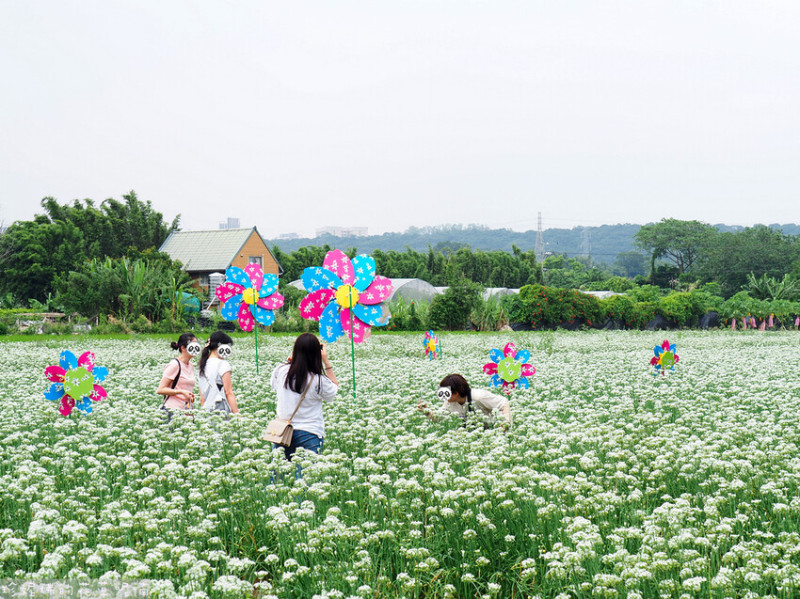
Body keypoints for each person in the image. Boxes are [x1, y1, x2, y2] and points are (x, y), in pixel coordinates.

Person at [270, 333, 338, 461]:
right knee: (305, 478)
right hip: (310, 433)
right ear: (316, 355)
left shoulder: (280, 370)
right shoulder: (319, 380)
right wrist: (326, 362)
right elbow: (333, 391)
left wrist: (291, 360)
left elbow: (274, 385)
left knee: (279, 477)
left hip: (282, 431)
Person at [418, 373, 512, 428]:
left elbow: (504, 402)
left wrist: (505, 423)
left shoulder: (478, 397)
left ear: (455, 393)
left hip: (493, 429)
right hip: (476, 433)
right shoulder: (450, 402)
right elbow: (440, 417)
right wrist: (427, 412)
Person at [156, 333, 201, 422]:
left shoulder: (190, 365)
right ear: (183, 348)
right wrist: (181, 392)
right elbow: (160, 390)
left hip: (187, 411)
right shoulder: (174, 365)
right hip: (172, 411)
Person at [198, 331, 240, 416]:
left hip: (206, 409)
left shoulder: (203, 365)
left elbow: (202, 397)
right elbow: (228, 393)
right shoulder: (223, 364)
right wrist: (237, 414)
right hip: (220, 409)